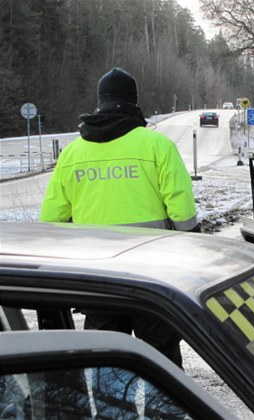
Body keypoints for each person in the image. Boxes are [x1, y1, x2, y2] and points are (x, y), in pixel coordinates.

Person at [40, 67, 199, 367]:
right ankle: (164, 415)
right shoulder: (157, 146)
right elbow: (183, 213)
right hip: (153, 278)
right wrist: (191, 252)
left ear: (99, 101)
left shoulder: (72, 154)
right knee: (162, 361)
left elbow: (51, 221)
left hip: (98, 280)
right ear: (134, 101)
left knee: (106, 365)